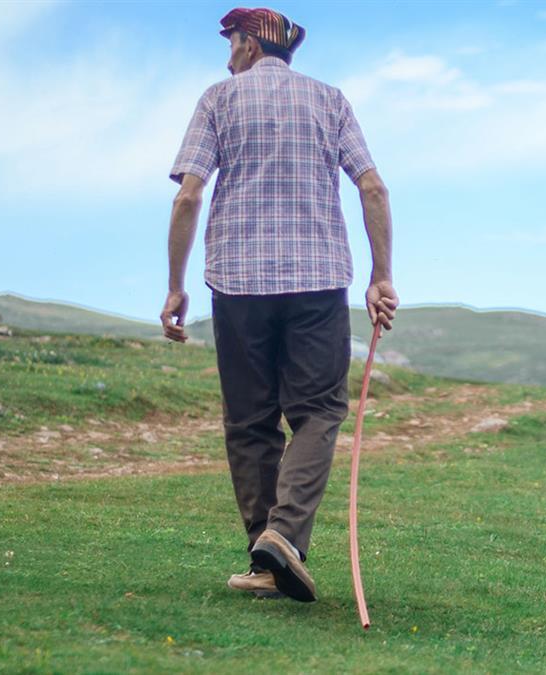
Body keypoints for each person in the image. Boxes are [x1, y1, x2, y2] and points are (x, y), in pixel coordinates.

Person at [161, 7, 397, 602]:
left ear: (246, 45)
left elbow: (189, 196)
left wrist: (175, 285)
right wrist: (381, 277)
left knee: (249, 423)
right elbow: (372, 185)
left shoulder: (218, 100)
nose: (227, 57)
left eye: (230, 44)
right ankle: (281, 543)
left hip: (236, 284)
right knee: (318, 411)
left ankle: (271, 550)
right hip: (317, 282)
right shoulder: (330, 100)